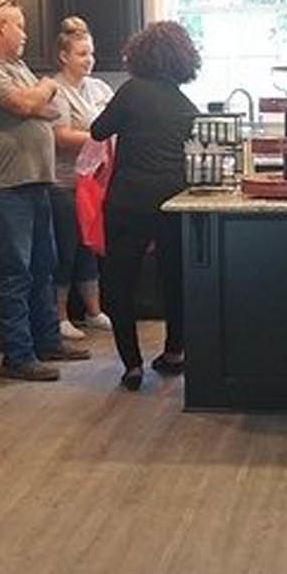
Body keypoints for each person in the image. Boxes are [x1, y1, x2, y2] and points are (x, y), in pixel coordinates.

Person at [0, 0, 92, 381]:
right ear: (1, 28)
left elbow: (47, 110)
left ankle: (46, 340)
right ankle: (18, 356)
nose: (25, 34)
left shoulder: (14, 66)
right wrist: (44, 89)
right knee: (15, 272)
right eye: (20, 26)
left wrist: (37, 99)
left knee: (44, 267)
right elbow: (24, 104)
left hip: (33, 181)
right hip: (4, 187)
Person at [89, 21, 200, 391]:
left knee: (119, 281)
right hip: (172, 201)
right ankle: (175, 353)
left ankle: (132, 365)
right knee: (174, 278)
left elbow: (98, 130)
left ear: (139, 54)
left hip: (129, 200)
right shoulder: (185, 104)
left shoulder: (131, 91)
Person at [48, 16, 114, 340]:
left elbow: (118, 120)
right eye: (81, 54)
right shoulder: (55, 90)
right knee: (66, 249)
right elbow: (61, 136)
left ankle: (93, 311)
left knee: (89, 246)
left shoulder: (99, 88)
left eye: (91, 53)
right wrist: (100, 137)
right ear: (64, 56)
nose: (89, 60)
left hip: (96, 184)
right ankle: (60, 316)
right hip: (65, 184)